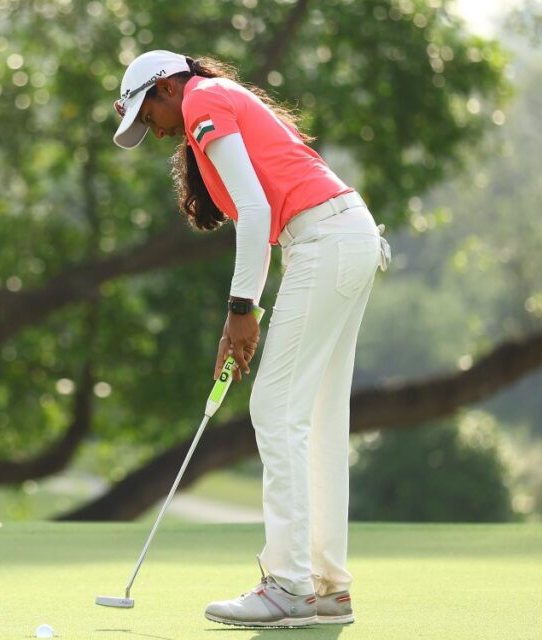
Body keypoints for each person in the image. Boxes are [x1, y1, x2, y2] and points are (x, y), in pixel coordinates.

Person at [112, 50, 389, 628]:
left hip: (325, 243)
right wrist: (240, 316)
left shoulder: (203, 100)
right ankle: (327, 587)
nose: (154, 130)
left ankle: (289, 587)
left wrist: (242, 310)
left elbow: (257, 212)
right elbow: (255, 221)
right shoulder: (217, 103)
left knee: (274, 409)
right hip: (346, 238)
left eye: (147, 114)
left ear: (167, 87)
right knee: (316, 418)